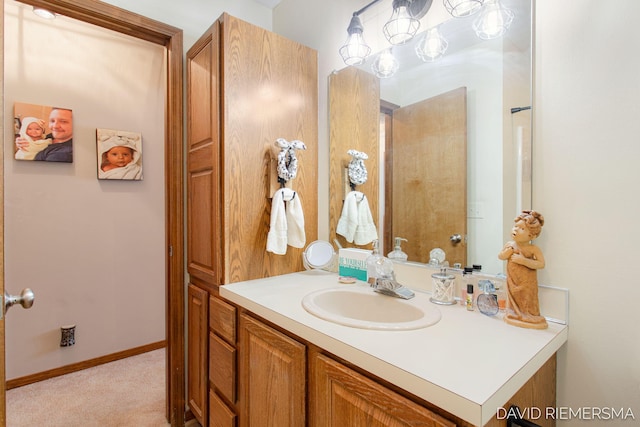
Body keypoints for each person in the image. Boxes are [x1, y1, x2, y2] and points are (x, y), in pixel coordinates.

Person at [498, 210, 548, 329]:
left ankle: (528, 315)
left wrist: (523, 261)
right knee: (514, 297)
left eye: (521, 228)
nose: (515, 230)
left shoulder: (533, 249)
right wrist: (507, 252)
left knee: (527, 298)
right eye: (515, 226)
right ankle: (514, 313)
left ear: (532, 235)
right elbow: (500, 256)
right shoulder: (510, 244)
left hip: (527, 282)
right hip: (512, 281)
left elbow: (541, 264)